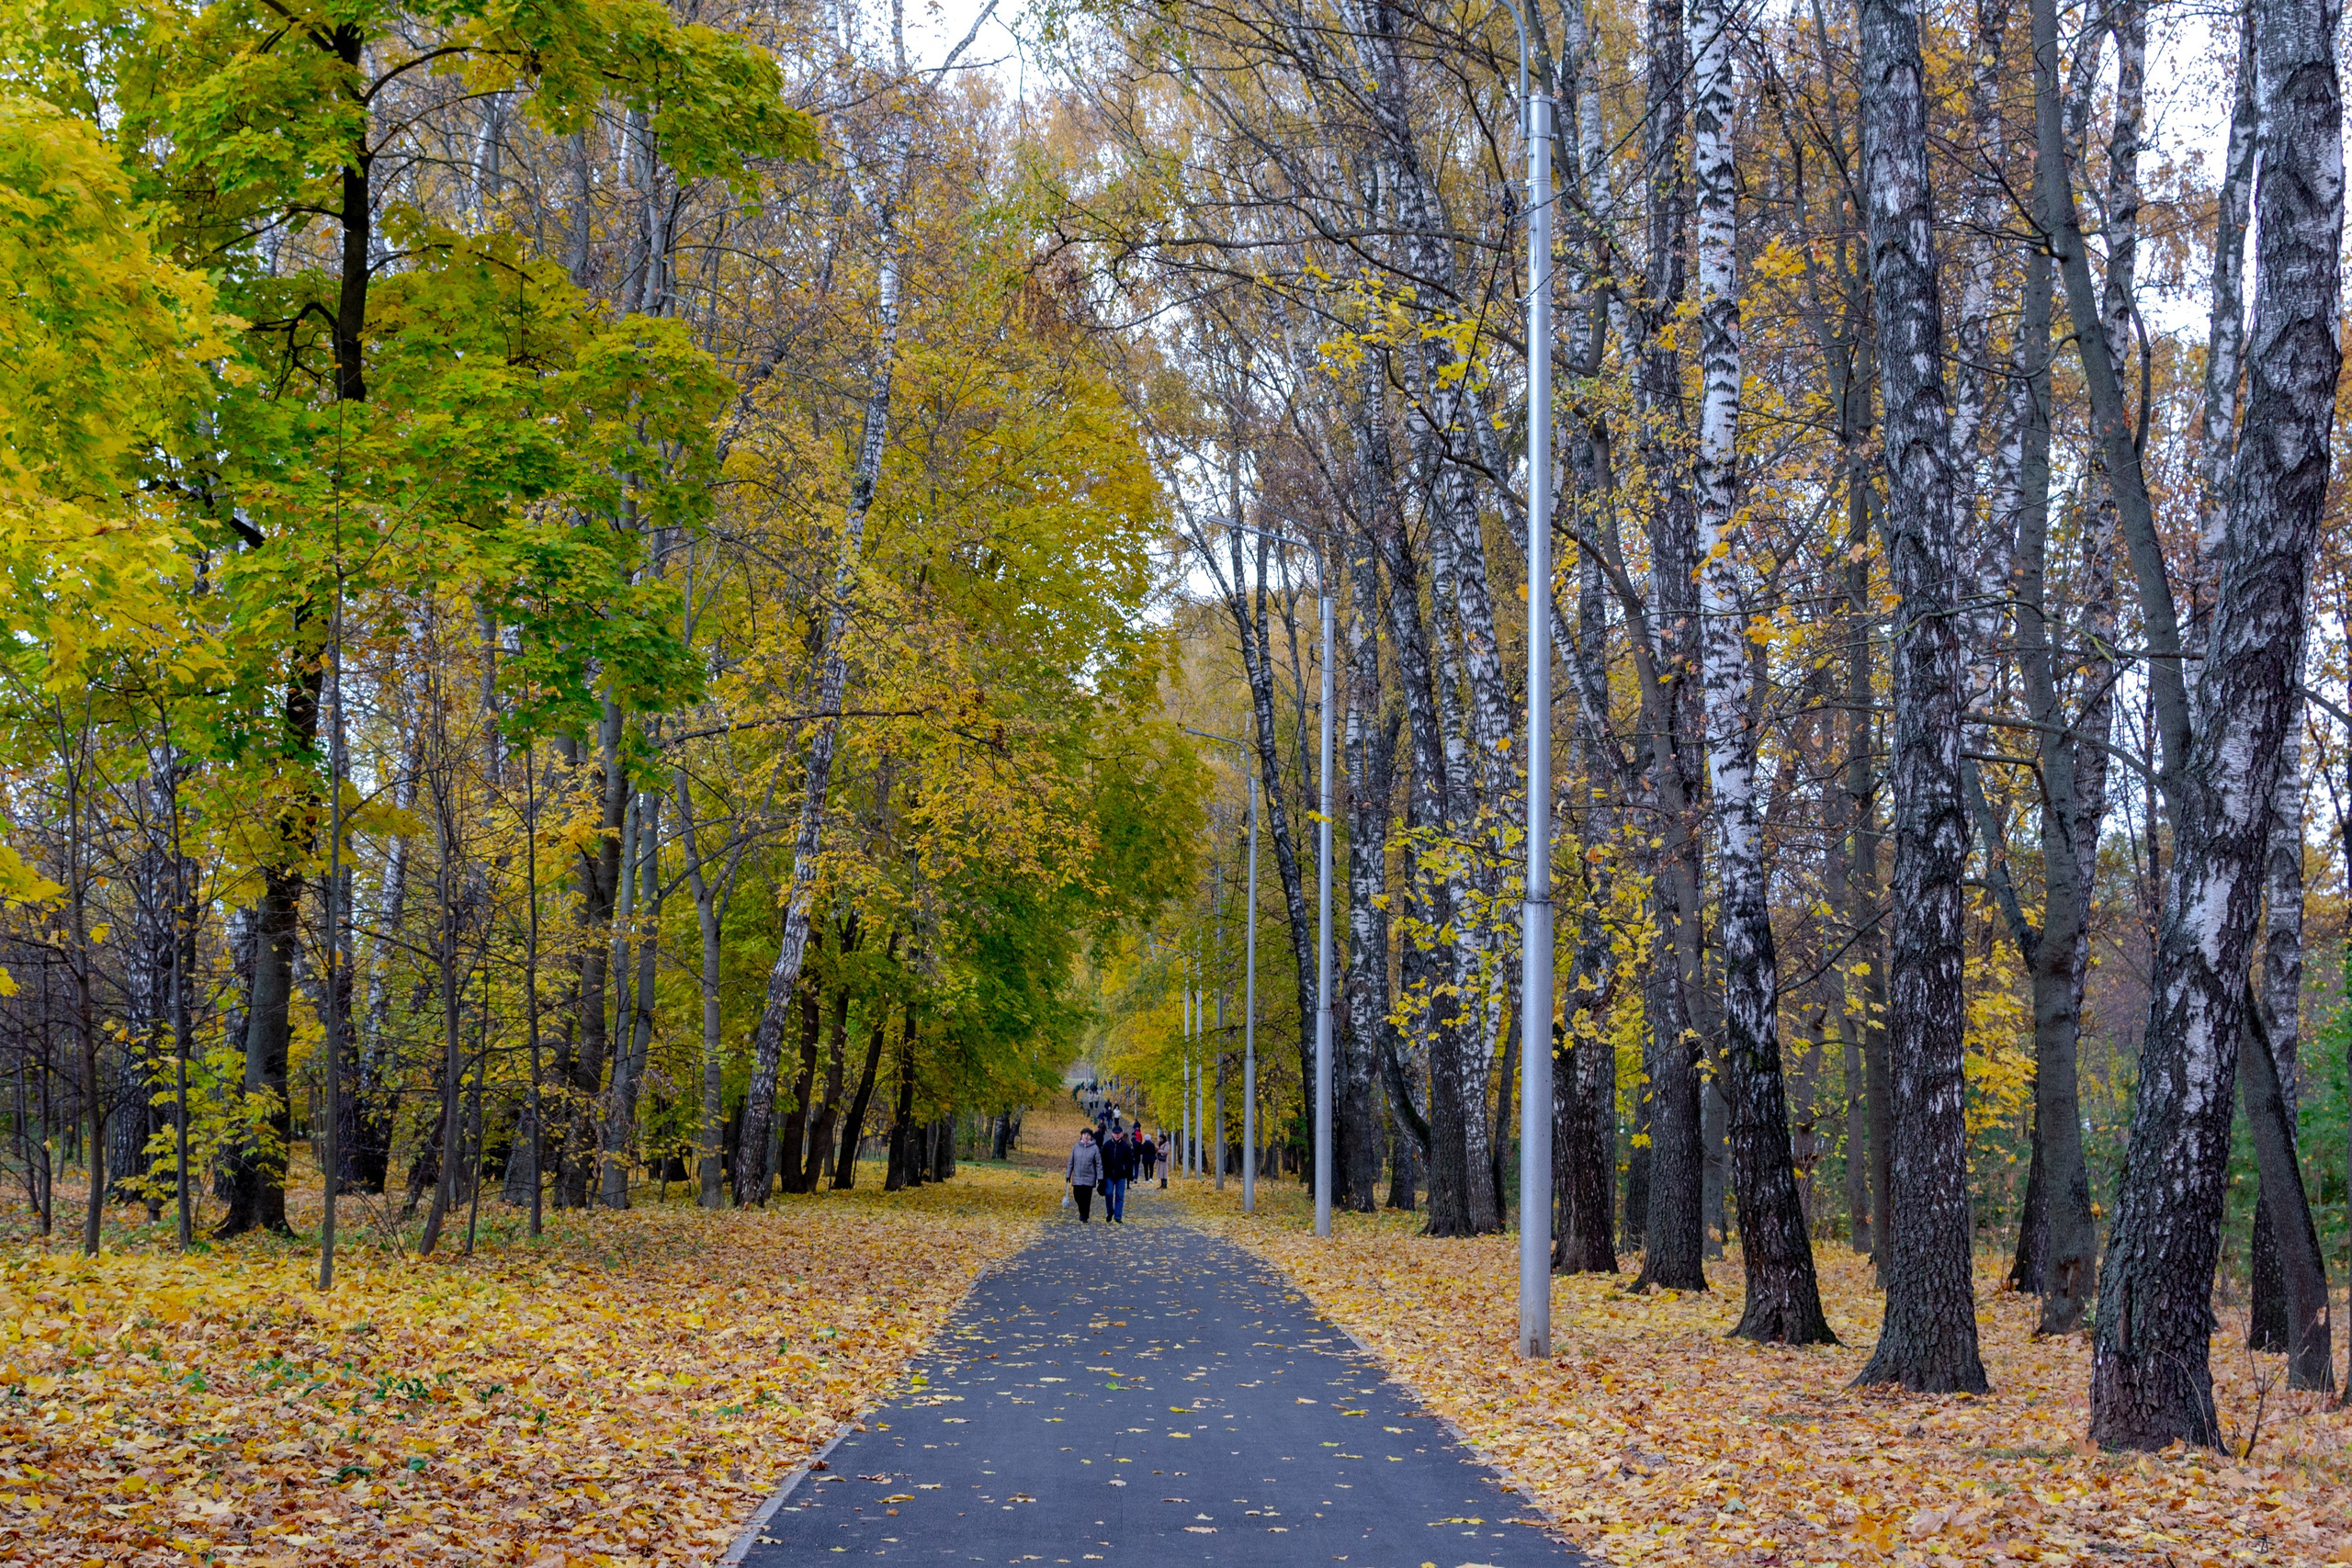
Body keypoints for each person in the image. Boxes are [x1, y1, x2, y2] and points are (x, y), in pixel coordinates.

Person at [1066, 1127, 1103, 1222]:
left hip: (1089, 1176)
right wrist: (1068, 1175)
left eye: (1088, 1135)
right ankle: (1082, 1212)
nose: (1086, 1137)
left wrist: (1100, 1177)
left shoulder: (1094, 1148)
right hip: (1077, 1176)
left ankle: (1085, 1215)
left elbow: (1098, 1163)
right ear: (1081, 1136)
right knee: (1077, 1196)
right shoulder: (1076, 1147)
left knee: (1086, 1198)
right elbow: (1071, 1162)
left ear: (1091, 1137)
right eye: (1084, 1135)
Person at [1100, 1123, 1135, 1224]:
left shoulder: (1125, 1146)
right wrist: (1103, 1174)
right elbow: (1102, 1160)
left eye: (1118, 1133)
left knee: (1120, 1196)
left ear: (1122, 1134)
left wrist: (1125, 1170)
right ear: (1112, 1134)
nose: (1117, 1135)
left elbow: (1130, 1161)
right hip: (1109, 1175)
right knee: (1109, 1193)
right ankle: (1110, 1211)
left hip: (1121, 1176)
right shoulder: (1107, 1145)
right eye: (1115, 1133)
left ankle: (1118, 1216)